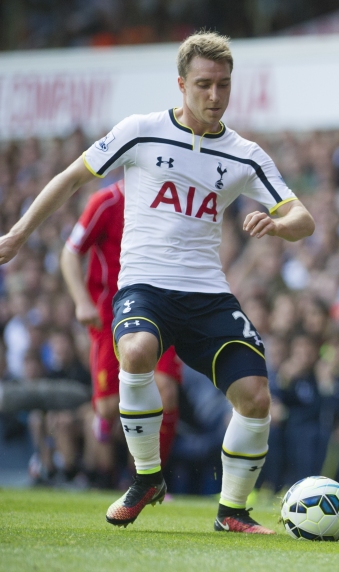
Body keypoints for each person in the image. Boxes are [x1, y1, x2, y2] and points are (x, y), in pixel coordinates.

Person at [0, 32, 315, 534]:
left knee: (255, 395)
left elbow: (304, 217)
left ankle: (232, 511)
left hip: (208, 294)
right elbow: (69, 178)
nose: (215, 96)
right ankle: (147, 477)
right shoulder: (140, 131)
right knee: (139, 350)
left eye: (224, 86)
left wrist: (278, 224)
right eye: (204, 85)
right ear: (181, 84)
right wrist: (18, 234)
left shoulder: (244, 153)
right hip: (144, 285)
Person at [61, 180, 184, 485]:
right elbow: (70, 253)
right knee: (107, 407)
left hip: (159, 310)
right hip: (110, 315)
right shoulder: (105, 201)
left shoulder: (169, 200)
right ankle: (102, 454)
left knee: (166, 390)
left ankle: (145, 480)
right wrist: (81, 301)